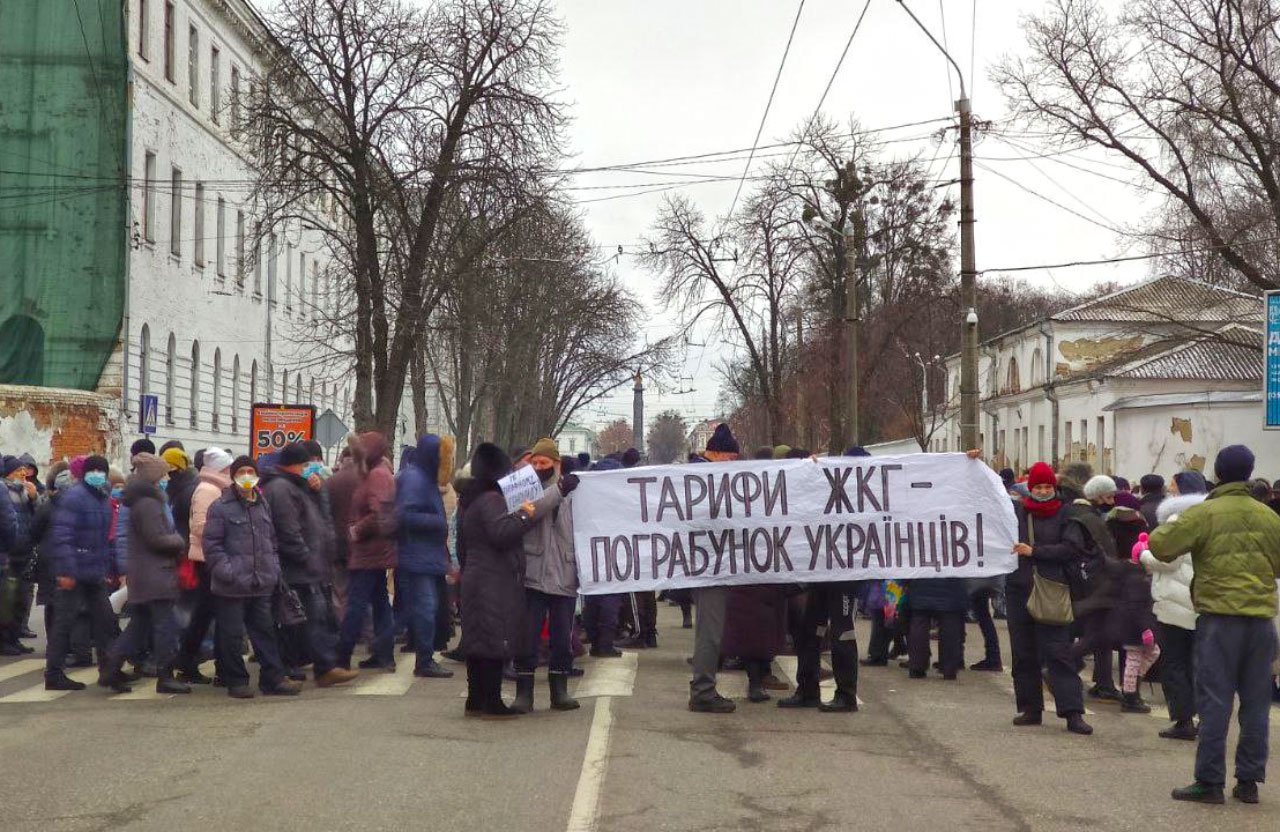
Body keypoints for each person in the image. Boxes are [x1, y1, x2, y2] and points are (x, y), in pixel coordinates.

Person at [1149, 445, 1280, 805]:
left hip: (1220, 620)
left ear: (1218, 474)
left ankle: (1209, 781)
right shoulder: (1269, 516)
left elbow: (1161, 546)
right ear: (1250, 471)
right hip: (1261, 622)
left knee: (1215, 702)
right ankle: (1249, 782)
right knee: (1256, 703)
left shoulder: (1204, 513)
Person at [203, 456, 301, 698]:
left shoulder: (262, 503)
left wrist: (273, 567)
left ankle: (273, 679)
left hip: (261, 582)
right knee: (232, 636)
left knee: (265, 633)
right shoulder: (220, 507)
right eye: (242, 472)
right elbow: (212, 546)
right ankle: (236, 680)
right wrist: (228, 571)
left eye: (250, 471)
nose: (247, 476)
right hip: (232, 585)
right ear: (234, 476)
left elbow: (271, 540)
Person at [262, 442, 359, 688]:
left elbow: (318, 519)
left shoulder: (296, 486)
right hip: (298, 568)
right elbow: (288, 530)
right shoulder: (281, 488)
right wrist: (306, 557)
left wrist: (316, 491)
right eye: (307, 464)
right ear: (295, 465)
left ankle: (309, 666)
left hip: (308, 566)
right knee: (308, 619)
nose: (311, 468)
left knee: (307, 619)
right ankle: (323, 667)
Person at [1007, 462, 1093, 735]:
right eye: (1038, 487)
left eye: (1047, 487)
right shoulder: (1017, 513)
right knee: (1023, 653)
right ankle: (1031, 708)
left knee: (1059, 653)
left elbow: (1071, 548)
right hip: (1019, 589)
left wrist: (1034, 551)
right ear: (1030, 488)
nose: (1043, 491)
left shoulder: (1068, 514)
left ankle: (1073, 712)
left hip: (1053, 590)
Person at [458, 443, 536, 718]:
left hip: (478, 577)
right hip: (492, 579)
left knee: (478, 641)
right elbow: (501, 533)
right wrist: (526, 513)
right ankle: (491, 701)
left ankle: (475, 699)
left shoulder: (473, 498)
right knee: (493, 642)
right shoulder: (492, 500)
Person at [100, 453, 188, 694]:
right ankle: (165, 675)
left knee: (139, 625)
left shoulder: (141, 500)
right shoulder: (149, 503)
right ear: (152, 477)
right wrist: (179, 540)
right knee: (164, 626)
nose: (166, 478)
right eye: (163, 474)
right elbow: (157, 539)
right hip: (156, 573)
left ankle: (111, 668)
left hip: (146, 573)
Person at [511, 438, 582, 713]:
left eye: (545, 463)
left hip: (564, 572)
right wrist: (558, 491)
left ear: (557, 464)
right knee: (527, 637)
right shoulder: (523, 489)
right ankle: (524, 693)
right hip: (532, 573)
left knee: (562, 637)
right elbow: (527, 514)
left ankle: (559, 690)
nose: (539, 467)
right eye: (536, 463)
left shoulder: (574, 491)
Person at [1139, 468, 1206, 735]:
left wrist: (1143, 554)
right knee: (1196, 661)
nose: (1170, 487)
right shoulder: (1208, 516)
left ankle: (1183, 720)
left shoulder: (1178, 519)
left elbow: (1168, 558)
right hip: (1200, 598)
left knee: (1175, 662)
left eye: (1173, 484)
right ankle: (1202, 715)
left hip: (1176, 602)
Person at [44, 455, 119, 691]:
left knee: (105, 621)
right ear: (85, 473)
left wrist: (106, 567)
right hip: (74, 572)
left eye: (101, 470)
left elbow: (103, 539)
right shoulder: (75, 498)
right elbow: (63, 535)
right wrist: (66, 571)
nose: (97, 473)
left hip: (94, 572)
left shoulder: (102, 498)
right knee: (64, 623)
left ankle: (109, 671)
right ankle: (53, 674)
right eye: (93, 470)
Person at [688, 424, 744, 714]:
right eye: (732, 459)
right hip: (709, 566)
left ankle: (702, 685)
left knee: (708, 631)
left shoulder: (697, 476)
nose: (734, 466)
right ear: (719, 453)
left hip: (710, 564)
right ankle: (703, 691)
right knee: (710, 632)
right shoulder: (703, 479)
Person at [336, 433, 398, 672]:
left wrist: (355, 531)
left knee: (356, 605)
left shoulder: (377, 475)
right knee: (379, 604)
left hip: (370, 552)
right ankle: (383, 654)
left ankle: (342, 657)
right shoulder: (374, 472)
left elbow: (378, 513)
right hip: (373, 552)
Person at [394, 434, 454, 679]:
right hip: (417, 557)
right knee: (424, 609)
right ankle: (424, 660)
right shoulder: (414, 479)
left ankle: (424, 657)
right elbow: (404, 516)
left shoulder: (422, 478)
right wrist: (437, 522)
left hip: (426, 556)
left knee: (425, 609)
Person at [173, 447, 234, 684]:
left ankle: (189, 661)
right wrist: (225, 535)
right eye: (228, 467)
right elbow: (200, 526)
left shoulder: (216, 487)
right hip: (208, 559)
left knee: (206, 614)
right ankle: (199, 663)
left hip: (211, 557)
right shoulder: (208, 490)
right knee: (213, 614)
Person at [582, 457, 625, 658]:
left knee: (592, 600)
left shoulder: (588, 496)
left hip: (591, 555)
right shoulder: (620, 497)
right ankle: (605, 644)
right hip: (614, 555)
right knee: (610, 601)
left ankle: (595, 640)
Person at [2, 455, 38, 654]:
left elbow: (37, 516)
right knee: (7, 600)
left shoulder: (25, 492)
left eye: (24, 471)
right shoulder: (4, 491)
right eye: (18, 471)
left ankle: (15, 637)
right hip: (9, 553)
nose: (23, 474)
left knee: (21, 599)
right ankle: (5, 640)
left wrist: (34, 498)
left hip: (24, 552)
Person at [905, 577, 968, 680]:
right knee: (950, 626)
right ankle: (949, 669)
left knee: (919, 624)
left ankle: (917, 666)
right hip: (951, 585)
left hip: (921, 583)